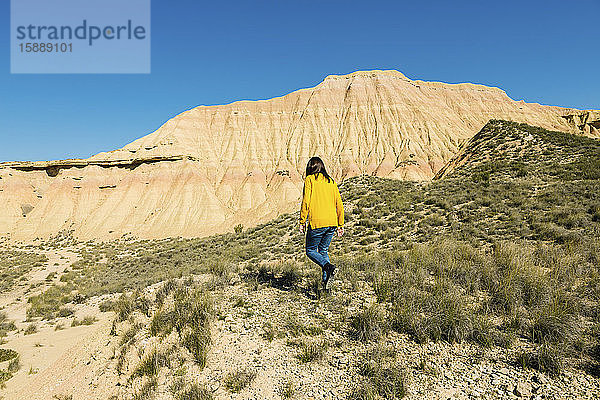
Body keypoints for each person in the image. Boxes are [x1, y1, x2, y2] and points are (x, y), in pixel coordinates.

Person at [299, 156, 344, 289]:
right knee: (323, 251)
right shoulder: (331, 181)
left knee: (310, 250)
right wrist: (340, 224)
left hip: (318, 222)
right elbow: (339, 204)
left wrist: (302, 221)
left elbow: (306, 201)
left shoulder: (310, 180)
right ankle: (326, 285)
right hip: (332, 222)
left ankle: (328, 267)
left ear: (310, 168)